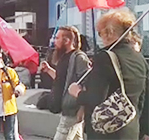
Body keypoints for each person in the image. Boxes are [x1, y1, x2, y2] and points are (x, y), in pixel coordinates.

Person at [68, 9, 148, 140]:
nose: (101, 38)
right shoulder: (139, 59)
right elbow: (144, 98)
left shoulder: (105, 58)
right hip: (131, 129)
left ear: (108, 33)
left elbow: (95, 99)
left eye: (100, 33)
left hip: (107, 131)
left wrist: (77, 92)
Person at [40, 26, 90, 140]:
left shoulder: (79, 58)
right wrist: (48, 70)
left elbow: (86, 83)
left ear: (67, 41)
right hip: (66, 108)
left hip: (72, 110)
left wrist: (82, 110)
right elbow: (62, 80)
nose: (54, 41)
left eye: (57, 38)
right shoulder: (64, 57)